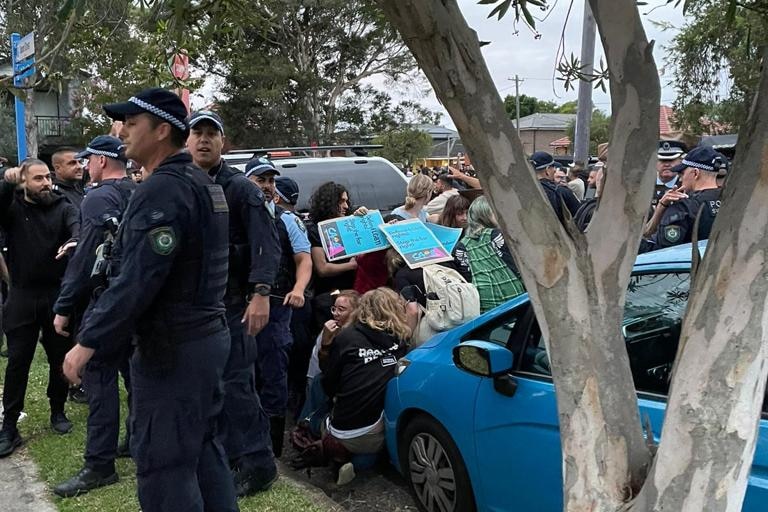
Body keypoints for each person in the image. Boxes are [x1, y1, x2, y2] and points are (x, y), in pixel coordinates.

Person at [61, 88, 238, 512]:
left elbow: (137, 280)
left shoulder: (162, 190)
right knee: (203, 450)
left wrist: (88, 342)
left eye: (132, 123)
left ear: (162, 131)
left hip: (174, 350)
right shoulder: (201, 182)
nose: (122, 131)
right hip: (205, 340)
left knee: (164, 466)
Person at [186, 110, 280, 495]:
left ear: (224, 143)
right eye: (197, 133)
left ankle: (259, 464)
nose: (204, 140)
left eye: (212, 134)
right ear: (186, 140)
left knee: (237, 384)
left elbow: (266, 245)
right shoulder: (185, 182)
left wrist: (260, 294)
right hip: (200, 307)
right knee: (213, 386)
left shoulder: (241, 188)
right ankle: (228, 457)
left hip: (236, 303)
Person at [52, 136, 136, 497]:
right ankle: (134, 439)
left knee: (100, 379)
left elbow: (89, 258)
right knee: (136, 378)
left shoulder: (99, 196)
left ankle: (99, 464)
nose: (85, 166)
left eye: (89, 161)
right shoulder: (136, 191)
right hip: (137, 302)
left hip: (107, 302)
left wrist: (63, 306)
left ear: (102, 161)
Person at [0, 159, 80, 458]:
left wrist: (74, 240)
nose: (46, 183)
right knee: (18, 360)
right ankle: (9, 426)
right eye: (38, 179)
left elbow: (77, 226)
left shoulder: (63, 206)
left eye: (48, 177)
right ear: (23, 183)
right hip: (21, 295)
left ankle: (58, 410)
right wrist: (6, 184)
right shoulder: (12, 210)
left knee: (59, 355)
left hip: (56, 294)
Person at [246, 161, 312, 457]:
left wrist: (298, 289)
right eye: (261, 179)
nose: (268, 186)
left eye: (272, 180)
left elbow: (303, 259)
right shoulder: (234, 216)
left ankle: (272, 452)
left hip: (276, 306)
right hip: (239, 307)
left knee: (273, 373)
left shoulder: (287, 220)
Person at [318, 288, 414, 483]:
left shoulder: (346, 338)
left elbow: (329, 384)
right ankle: (359, 461)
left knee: (318, 414)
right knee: (372, 453)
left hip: (344, 428)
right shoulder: (401, 339)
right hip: (374, 430)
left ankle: (337, 452)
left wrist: (326, 347)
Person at [639, 146, 724, 254]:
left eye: (682, 173)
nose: (680, 178)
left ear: (696, 173)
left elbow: (661, 253)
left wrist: (635, 244)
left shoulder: (683, 206)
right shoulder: (731, 201)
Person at [454, 196, 525, 313]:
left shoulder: (461, 246)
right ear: (484, 215)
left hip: (483, 308)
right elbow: (517, 267)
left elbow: (467, 279)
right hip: (514, 299)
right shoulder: (497, 235)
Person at [306, 182, 358, 330]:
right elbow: (322, 268)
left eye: (347, 201)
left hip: (353, 291)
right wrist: (351, 265)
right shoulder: (316, 230)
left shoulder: (348, 224)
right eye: (341, 202)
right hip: (330, 294)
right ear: (329, 203)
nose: (346, 206)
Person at [529, 151, 581, 224]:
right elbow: (580, 217)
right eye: (553, 166)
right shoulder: (562, 191)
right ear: (547, 169)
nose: (555, 170)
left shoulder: (525, 190)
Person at [651, 140, 687, 209]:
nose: (667, 164)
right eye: (662, 160)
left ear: (680, 161)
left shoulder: (685, 186)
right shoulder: (645, 185)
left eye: (671, 160)